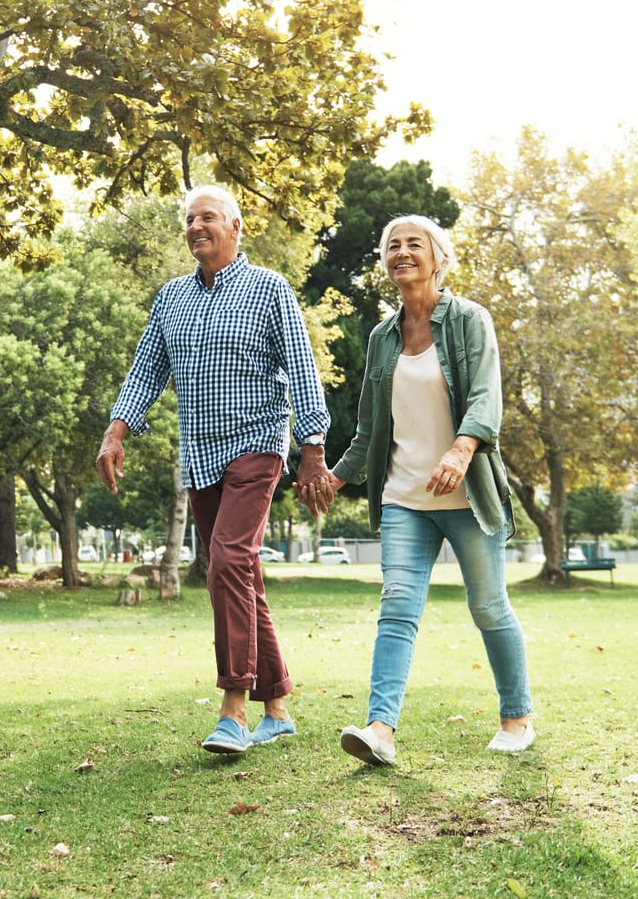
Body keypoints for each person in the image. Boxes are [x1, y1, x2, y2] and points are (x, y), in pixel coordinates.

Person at [100, 184, 334, 754]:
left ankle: (234, 708)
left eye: (207, 217)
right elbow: (146, 370)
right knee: (240, 572)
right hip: (200, 453)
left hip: (258, 442)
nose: (196, 226)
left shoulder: (268, 288)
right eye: (189, 219)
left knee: (227, 559)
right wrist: (116, 431)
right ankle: (276, 706)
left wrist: (312, 448)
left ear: (234, 226)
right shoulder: (172, 298)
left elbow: (302, 369)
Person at [304, 214, 535, 766]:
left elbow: (484, 397)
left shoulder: (470, 321)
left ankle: (517, 718)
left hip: (468, 496)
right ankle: (379, 730)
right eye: (392, 246)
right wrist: (336, 475)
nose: (401, 252)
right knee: (397, 608)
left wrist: (460, 451)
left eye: (414, 244)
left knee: (488, 606)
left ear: (439, 258)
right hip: (405, 497)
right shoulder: (382, 338)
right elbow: (369, 430)